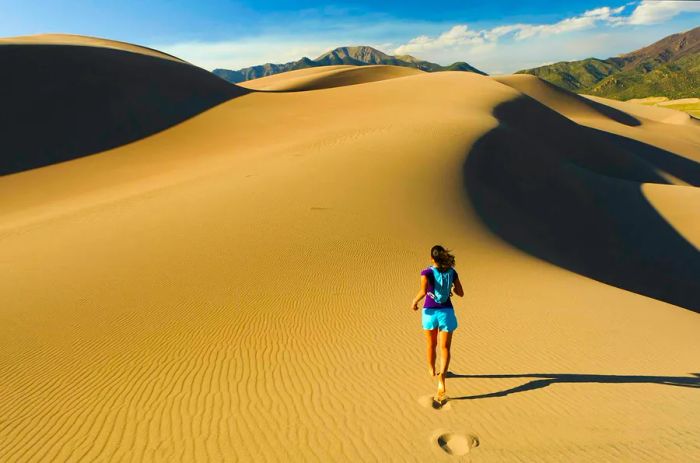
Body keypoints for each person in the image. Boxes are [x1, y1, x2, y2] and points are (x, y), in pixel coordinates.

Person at [411, 245, 464, 404]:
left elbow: (423, 291)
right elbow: (461, 293)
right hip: (446, 312)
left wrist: (414, 301)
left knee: (431, 345)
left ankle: (432, 370)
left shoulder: (426, 272)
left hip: (429, 313)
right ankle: (442, 376)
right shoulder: (452, 272)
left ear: (432, 258)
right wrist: (452, 288)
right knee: (445, 348)